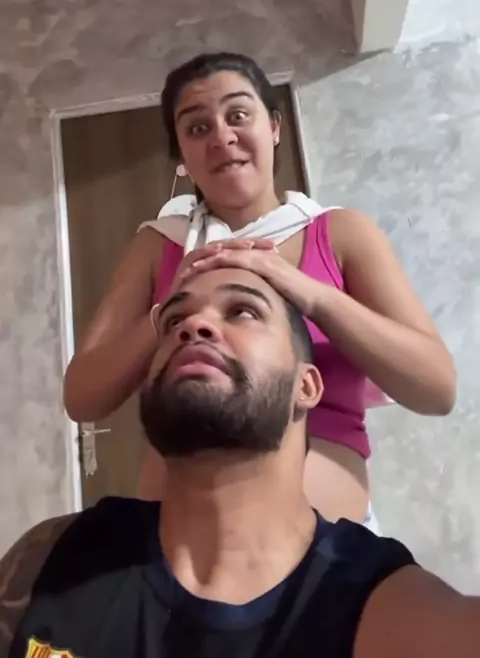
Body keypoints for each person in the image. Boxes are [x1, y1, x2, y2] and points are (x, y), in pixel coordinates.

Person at [64, 52, 456, 526]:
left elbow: (437, 390)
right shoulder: (157, 246)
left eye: (238, 115)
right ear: (181, 155)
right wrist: (168, 310)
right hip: (169, 544)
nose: (221, 137)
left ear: (273, 127)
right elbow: (82, 397)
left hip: (326, 548)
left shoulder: (342, 234)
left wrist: (311, 295)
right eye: (197, 128)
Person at [1, 268, 475, 658]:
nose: (193, 326)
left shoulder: (383, 607)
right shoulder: (51, 556)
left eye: (243, 311)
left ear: (307, 386)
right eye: (174, 320)